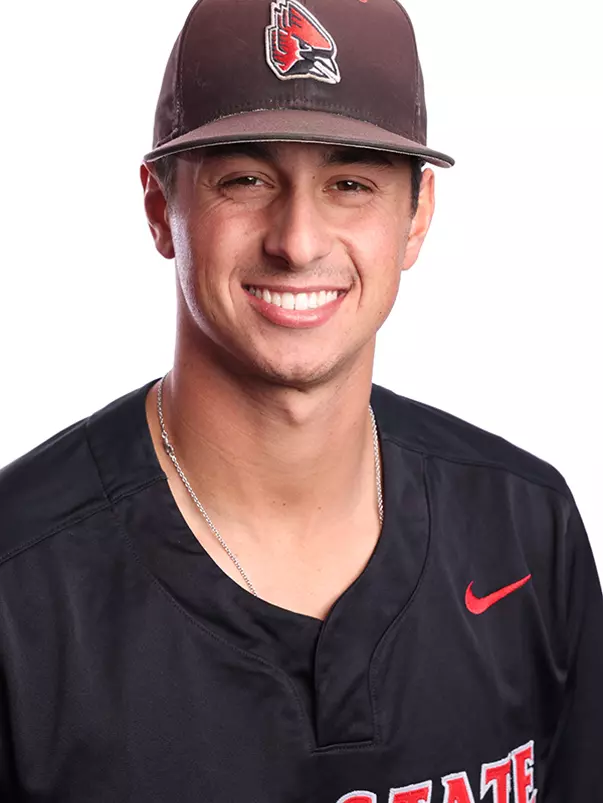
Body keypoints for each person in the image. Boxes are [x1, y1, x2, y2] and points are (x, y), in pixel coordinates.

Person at [1, 0, 601, 799]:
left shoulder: (524, 528)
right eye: (246, 179)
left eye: (350, 183)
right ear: (159, 206)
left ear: (416, 216)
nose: (297, 240)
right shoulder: (20, 584)